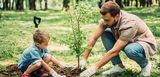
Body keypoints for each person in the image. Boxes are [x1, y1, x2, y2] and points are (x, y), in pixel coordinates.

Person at [79, 1, 157, 77]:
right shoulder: (106, 20)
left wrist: (94, 68)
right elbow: (93, 38)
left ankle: (145, 65)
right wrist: (84, 59)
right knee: (105, 32)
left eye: (107, 20)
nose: (105, 22)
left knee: (130, 50)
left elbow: (115, 51)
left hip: (143, 43)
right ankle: (118, 66)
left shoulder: (129, 23)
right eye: (104, 19)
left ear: (116, 16)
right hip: (127, 40)